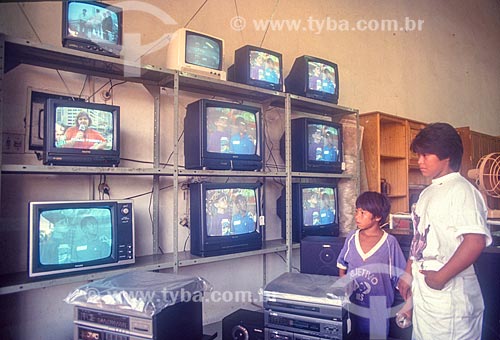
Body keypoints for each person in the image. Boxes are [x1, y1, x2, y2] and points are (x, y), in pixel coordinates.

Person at [397, 122, 492, 340]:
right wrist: (408, 272)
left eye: (426, 155)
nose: (419, 161)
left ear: (446, 156)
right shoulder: (427, 193)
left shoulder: (462, 190)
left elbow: (475, 241)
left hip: (450, 298)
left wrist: (441, 277)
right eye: (418, 155)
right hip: (426, 296)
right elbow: (420, 238)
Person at [337, 191, 407, 339]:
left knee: (377, 337)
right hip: (354, 302)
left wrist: (408, 307)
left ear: (377, 217)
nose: (357, 216)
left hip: (378, 305)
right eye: (356, 211)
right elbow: (342, 266)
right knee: (353, 335)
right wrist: (344, 288)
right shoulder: (351, 238)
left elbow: (401, 278)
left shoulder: (389, 243)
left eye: (363, 213)